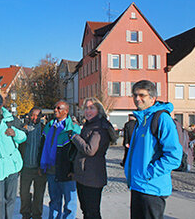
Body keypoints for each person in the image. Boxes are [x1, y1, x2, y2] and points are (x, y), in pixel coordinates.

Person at [124, 80, 182, 219]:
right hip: (137, 186)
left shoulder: (161, 119)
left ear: (153, 98)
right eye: (135, 95)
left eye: (142, 95)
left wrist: (148, 172)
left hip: (152, 188)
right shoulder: (141, 120)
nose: (137, 99)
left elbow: (174, 156)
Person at [69, 97, 114, 219]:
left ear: (98, 110)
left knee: (92, 212)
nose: (88, 111)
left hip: (93, 176)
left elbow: (90, 150)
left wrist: (74, 137)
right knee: (86, 210)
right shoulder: (89, 125)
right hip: (83, 175)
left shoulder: (100, 127)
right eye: (86, 108)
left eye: (91, 108)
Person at [40, 100, 81, 219]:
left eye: (59, 108)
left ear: (66, 111)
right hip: (51, 170)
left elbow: (77, 152)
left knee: (69, 203)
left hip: (67, 171)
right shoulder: (49, 126)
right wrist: (41, 165)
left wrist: (73, 170)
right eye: (55, 107)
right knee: (54, 201)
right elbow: (42, 147)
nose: (55, 110)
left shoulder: (73, 128)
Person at [19, 107, 46, 219]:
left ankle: (36, 215)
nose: (35, 118)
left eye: (37, 116)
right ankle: (25, 214)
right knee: (24, 193)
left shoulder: (45, 130)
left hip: (39, 168)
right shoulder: (23, 129)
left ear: (41, 117)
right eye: (33, 115)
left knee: (39, 195)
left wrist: (43, 165)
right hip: (26, 167)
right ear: (29, 116)